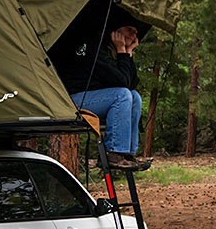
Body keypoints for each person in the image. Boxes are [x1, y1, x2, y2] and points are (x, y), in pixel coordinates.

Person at [60, 24, 151, 171]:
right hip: (73, 100)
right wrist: (122, 51)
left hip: (95, 99)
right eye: (130, 30)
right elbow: (122, 83)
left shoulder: (115, 51)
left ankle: (127, 154)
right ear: (116, 29)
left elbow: (131, 83)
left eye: (136, 33)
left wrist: (128, 52)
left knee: (134, 96)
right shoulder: (96, 47)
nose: (133, 35)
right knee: (122, 95)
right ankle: (114, 154)